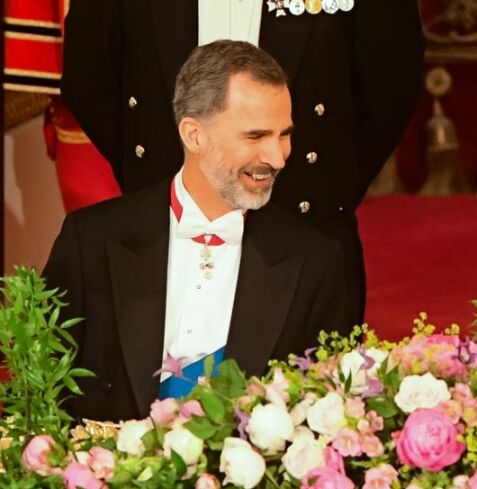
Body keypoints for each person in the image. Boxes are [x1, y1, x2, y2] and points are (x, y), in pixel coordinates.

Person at [59, 0, 426, 330]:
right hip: (161, 228)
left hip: (305, 225)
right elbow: (89, 78)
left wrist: (320, 187)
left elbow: (389, 82)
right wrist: (160, 180)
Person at [43, 41, 348, 423]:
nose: (277, 157)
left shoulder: (316, 261)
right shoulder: (91, 240)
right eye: (255, 137)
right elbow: (42, 391)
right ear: (194, 135)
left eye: (283, 134)